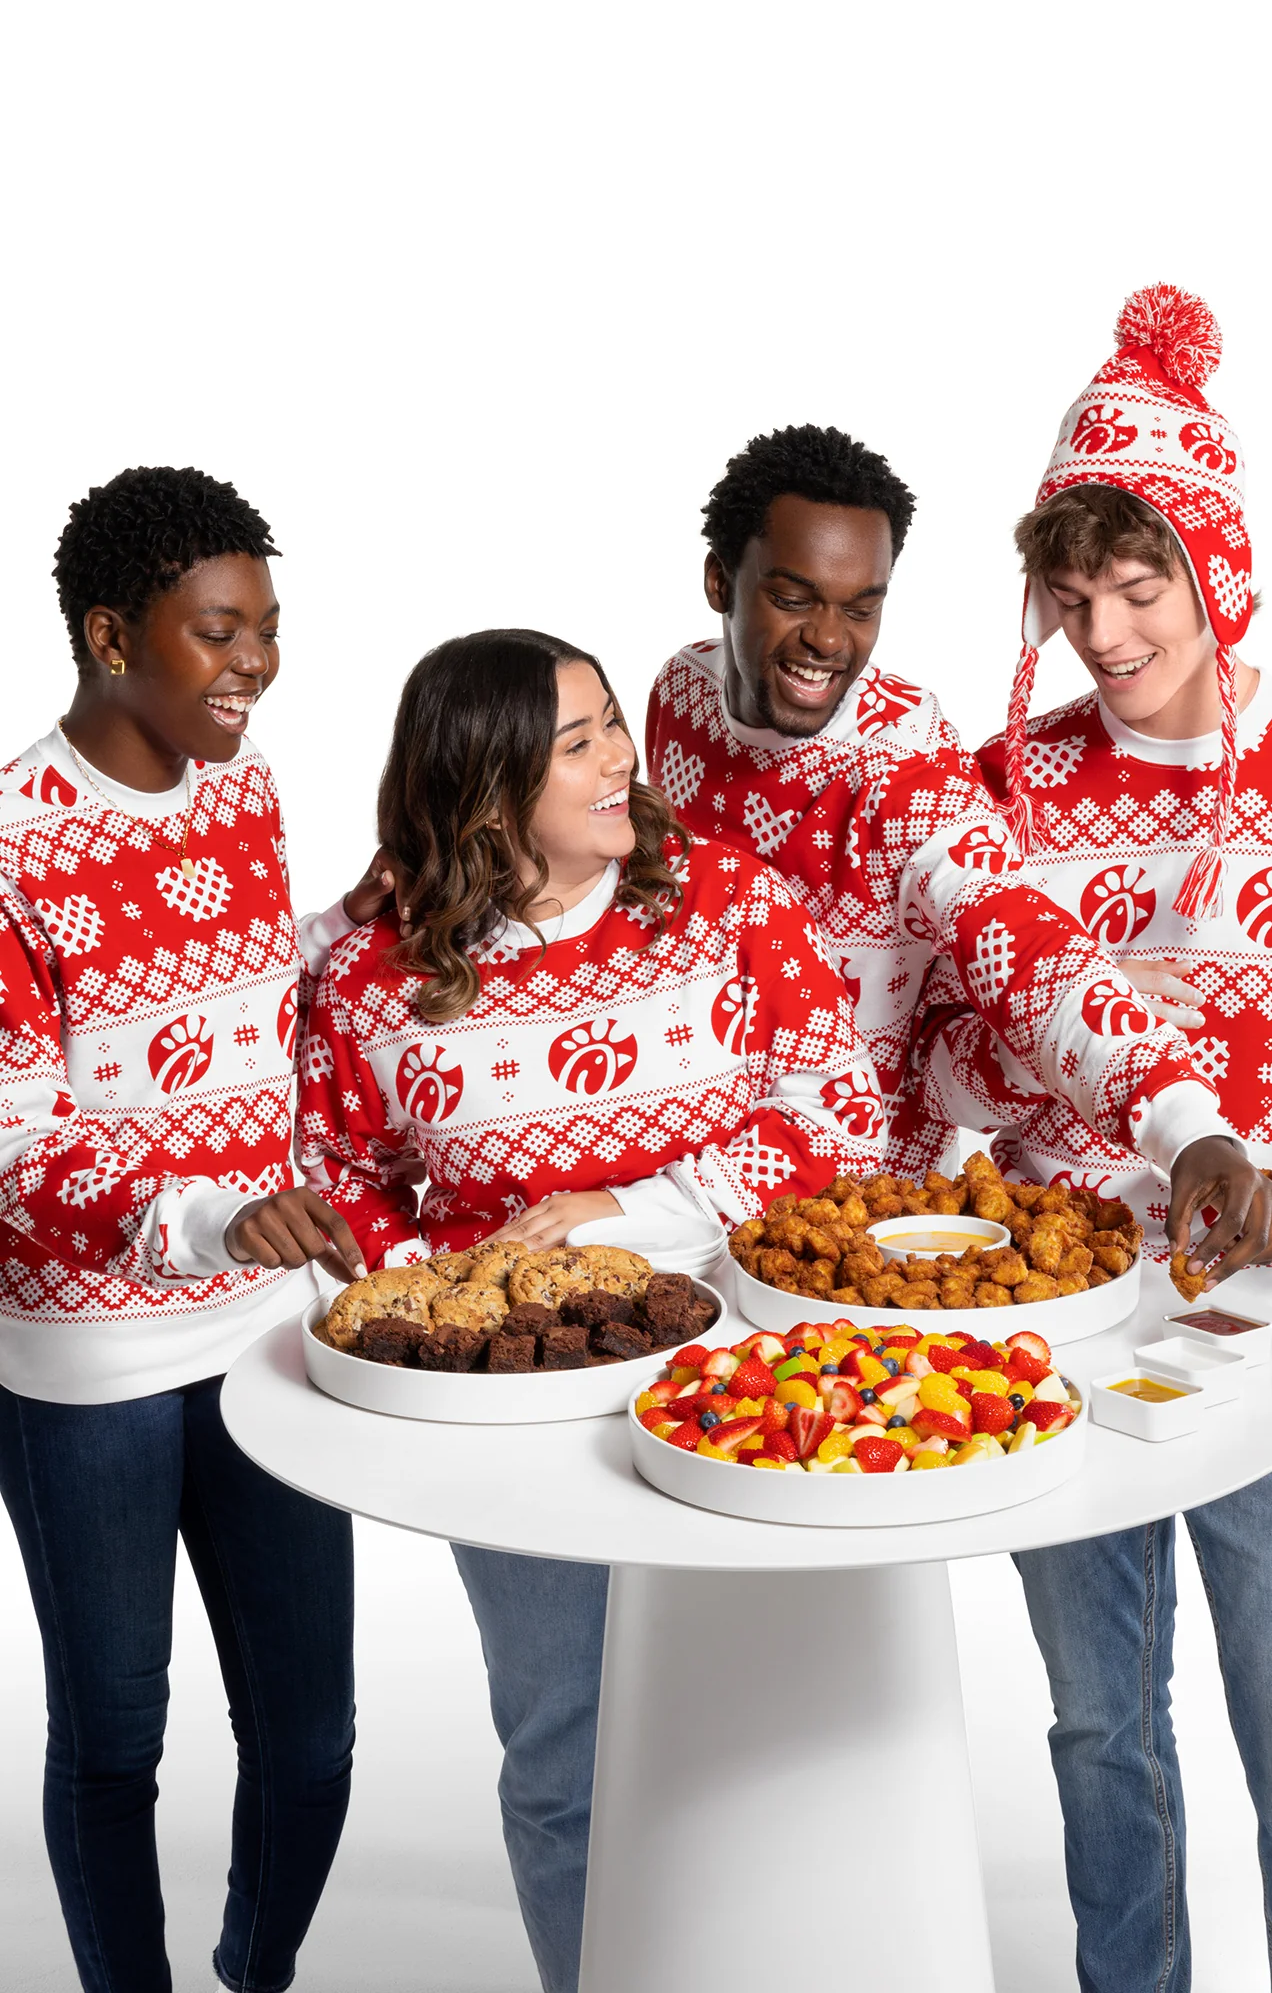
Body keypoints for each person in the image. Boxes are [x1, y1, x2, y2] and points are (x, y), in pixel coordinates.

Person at [296, 626, 884, 1990]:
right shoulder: (370, 977)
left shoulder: (729, 903)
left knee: (758, 1735)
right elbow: (340, 1182)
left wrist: (621, 1217)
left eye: (613, 724)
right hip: (510, 1426)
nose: (623, 757)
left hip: (743, 1383)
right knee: (564, 1745)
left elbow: (836, 1124)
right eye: (578, 744)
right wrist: (461, 1307)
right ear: (488, 791)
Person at [911, 285, 1272, 1991]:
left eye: (1140, 581)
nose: (1104, 630)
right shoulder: (1001, 786)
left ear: (1217, 566)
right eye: (1072, 589)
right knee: (1104, 1729)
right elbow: (952, 1043)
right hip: (1075, 1319)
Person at [0, 466, 392, 1993]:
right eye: (218, 633)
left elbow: (226, 1001)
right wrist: (219, 1213)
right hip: (86, 1358)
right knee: (115, 1736)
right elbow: (20, 1137)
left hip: (259, 1333)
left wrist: (343, 922)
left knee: (311, 1732)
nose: (255, 667)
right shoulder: (17, 837)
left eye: (269, 631)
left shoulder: (243, 781)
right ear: (111, 632)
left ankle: (253, 1968)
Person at [646, 423, 1272, 1277]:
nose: (829, 640)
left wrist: (1186, 1126)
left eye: (861, 607)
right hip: (674, 1195)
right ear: (722, 581)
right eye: (792, 599)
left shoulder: (903, 764)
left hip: (849, 1234)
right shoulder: (677, 694)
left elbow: (1017, 933)